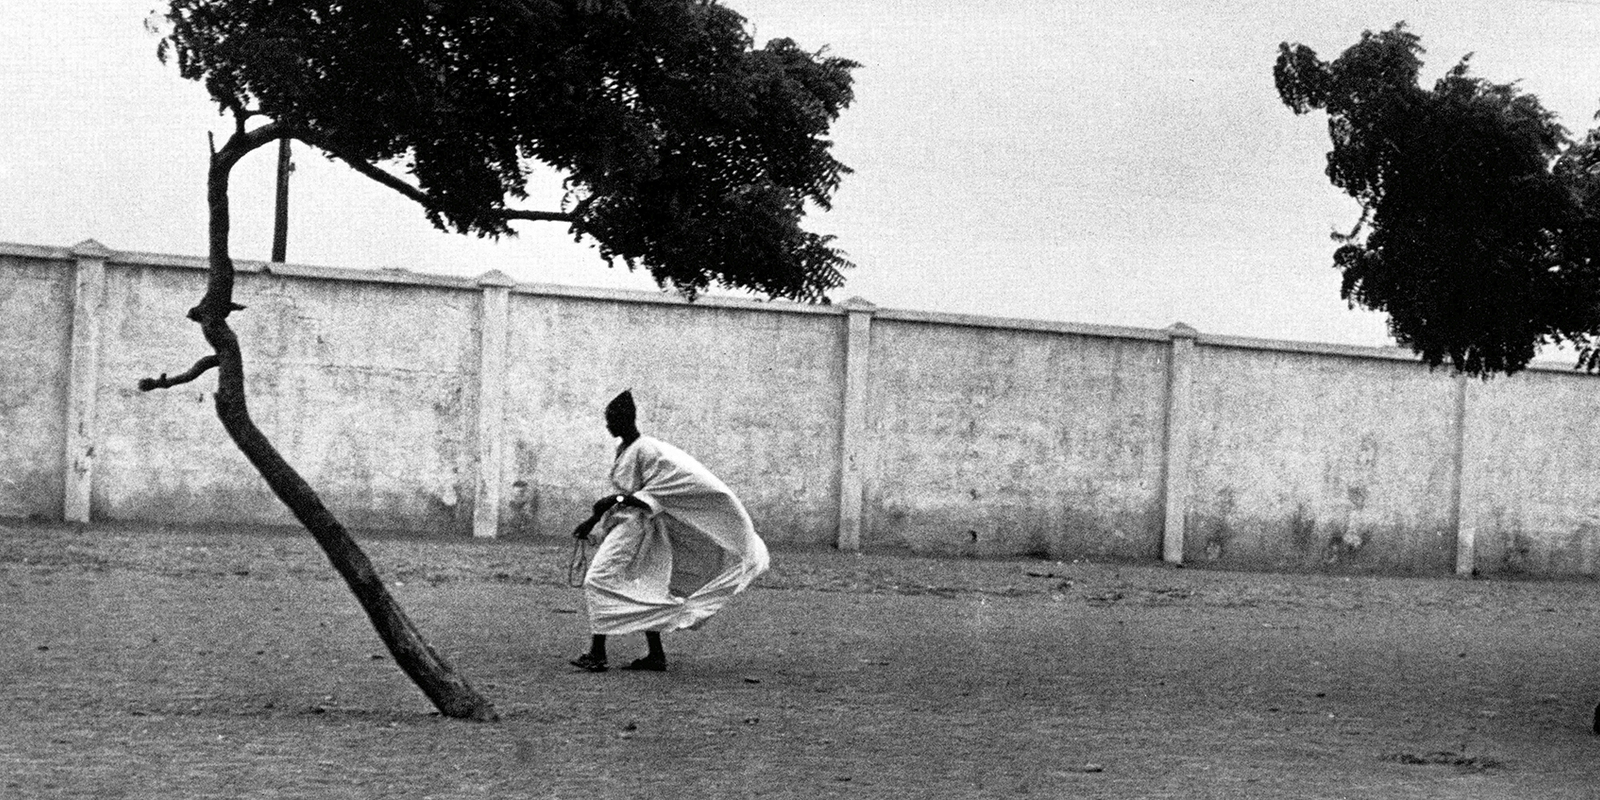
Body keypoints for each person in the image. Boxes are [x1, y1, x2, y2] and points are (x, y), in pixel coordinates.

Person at [569, 390, 770, 672]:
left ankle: (598, 652)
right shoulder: (625, 450)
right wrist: (595, 518)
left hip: (637, 527)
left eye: (612, 418)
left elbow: (652, 496)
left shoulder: (646, 449)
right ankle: (655, 654)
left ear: (627, 419)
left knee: (598, 579)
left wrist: (609, 502)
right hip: (628, 524)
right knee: (647, 583)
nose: (608, 425)